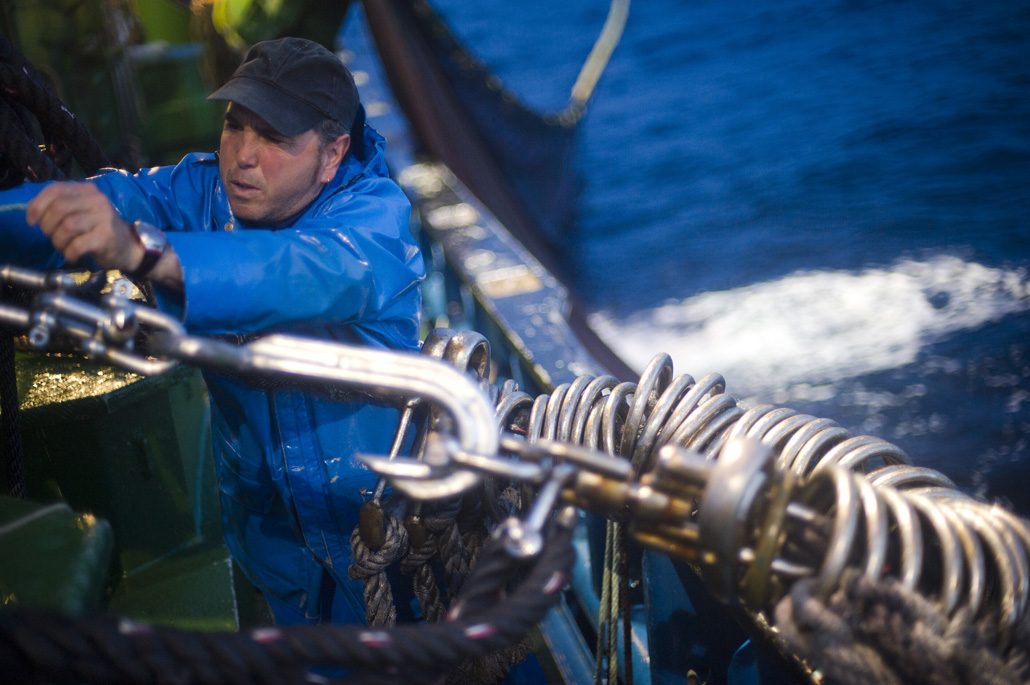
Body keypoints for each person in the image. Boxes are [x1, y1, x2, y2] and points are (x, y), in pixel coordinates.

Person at [0, 37, 425, 625]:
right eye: (235, 126)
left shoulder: (374, 221)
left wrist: (142, 249)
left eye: (274, 137)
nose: (242, 156)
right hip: (273, 548)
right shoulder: (198, 193)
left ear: (333, 154)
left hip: (387, 542)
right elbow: (93, 201)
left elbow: (303, 271)